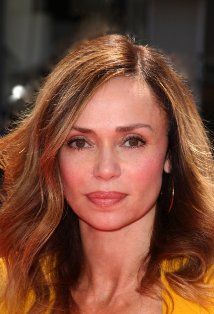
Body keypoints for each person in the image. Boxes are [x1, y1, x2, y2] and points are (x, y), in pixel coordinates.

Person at [0, 34, 213, 314]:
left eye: (132, 141)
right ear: (51, 155)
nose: (105, 170)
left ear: (170, 153)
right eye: (79, 142)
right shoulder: (12, 285)